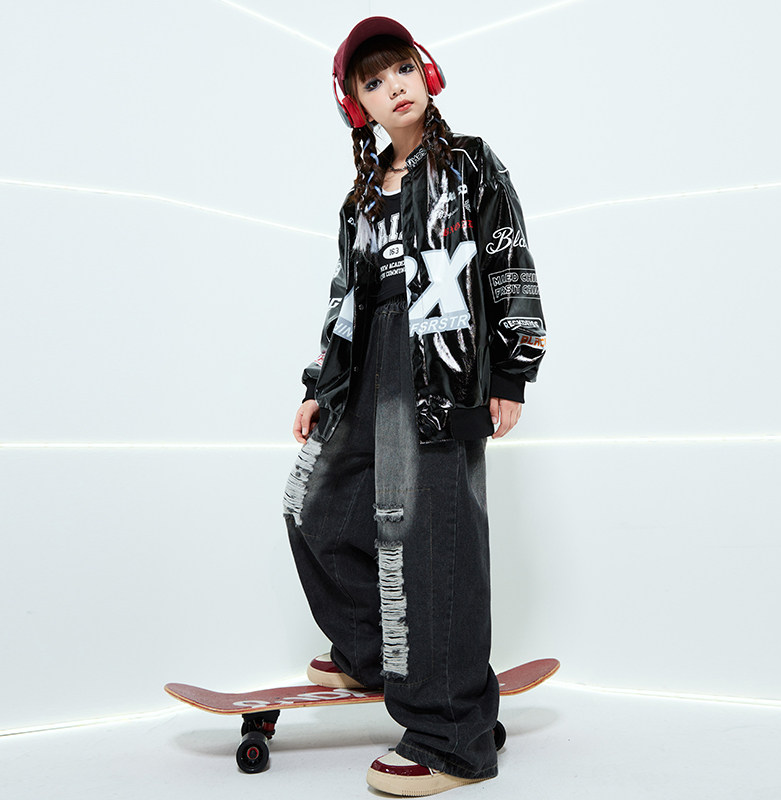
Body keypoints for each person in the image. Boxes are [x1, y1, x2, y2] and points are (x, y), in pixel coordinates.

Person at [282, 15, 546, 797]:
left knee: (431, 542)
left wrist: (512, 371)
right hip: (367, 370)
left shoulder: (469, 165)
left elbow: (508, 257)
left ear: (425, 74)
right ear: (355, 105)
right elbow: (343, 298)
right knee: (315, 507)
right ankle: (374, 651)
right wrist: (318, 385)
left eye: (401, 68)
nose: (392, 87)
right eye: (372, 80)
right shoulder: (362, 197)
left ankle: (451, 734)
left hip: (442, 373)